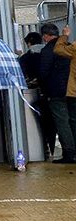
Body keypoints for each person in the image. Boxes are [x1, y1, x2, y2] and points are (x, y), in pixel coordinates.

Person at [19, 32, 54, 160]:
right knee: (53, 123)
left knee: (40, 123)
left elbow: (22, 76)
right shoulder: (51, 52)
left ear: (29, 43)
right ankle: (53, 149)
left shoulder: (26, 57)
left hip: (36, 93)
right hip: (52, 92)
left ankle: (43, 148)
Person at [45, 25, 76, 164]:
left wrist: (65, 35)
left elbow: (58, 50)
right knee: (74, 121)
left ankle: (70, 153)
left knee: (64, 122)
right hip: (69, 91)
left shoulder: (73, 47)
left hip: (69, 91)